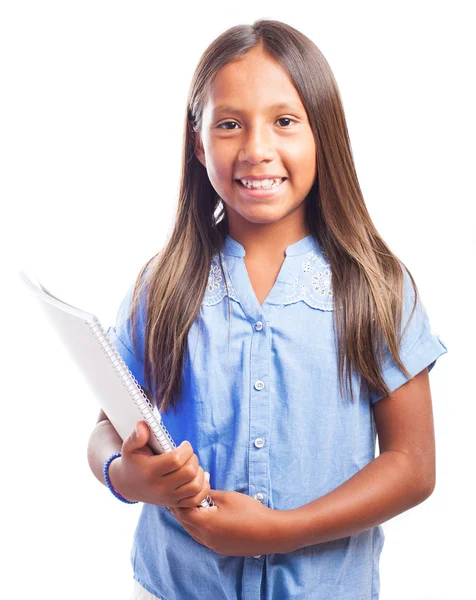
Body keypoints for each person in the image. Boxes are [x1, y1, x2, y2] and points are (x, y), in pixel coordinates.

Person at [87, 19, 448, 600]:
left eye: (285, 121)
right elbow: (107, 430)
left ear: (321, 135)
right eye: (229, 124)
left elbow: (412, 465)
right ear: (199, 143)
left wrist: (280, 531)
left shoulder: (376, 287)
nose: (257, 149)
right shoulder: (163, 284)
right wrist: (124, 475)